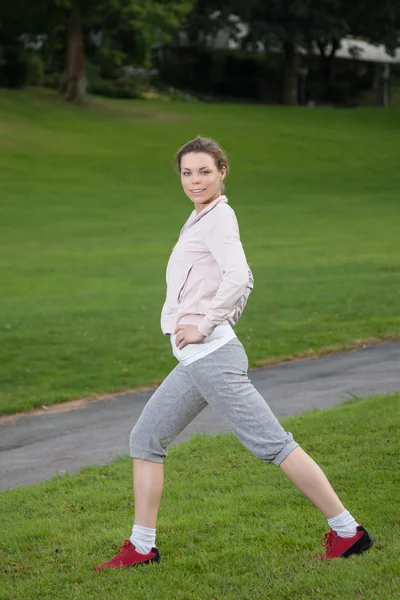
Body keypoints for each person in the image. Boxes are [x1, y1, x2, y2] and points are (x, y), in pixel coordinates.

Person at [93, 136, 373, 571]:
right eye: (187, 172)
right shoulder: (199, 218)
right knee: (145, 439)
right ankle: (143, 546)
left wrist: (205, 324)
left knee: (274, 445)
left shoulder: (219, 218)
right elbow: (241, 279)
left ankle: (348, 532)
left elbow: (239, 277)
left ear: (222, 172)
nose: (195, 180)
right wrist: (214, 321)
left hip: (213, 359)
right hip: (196, 362)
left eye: (204, 171)